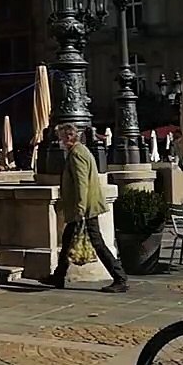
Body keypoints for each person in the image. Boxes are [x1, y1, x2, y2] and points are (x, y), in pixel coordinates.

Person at [44, 123, 128, 293]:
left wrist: (80, 208)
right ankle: (59, 275)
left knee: (97, 243)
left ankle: (120, 278)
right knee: (68, 239)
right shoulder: (79, 151)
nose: (59, 140)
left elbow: (82, 183)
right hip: (84, 207)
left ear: (68, 137)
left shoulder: (77, 154)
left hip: (85, 208)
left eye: (60, 137)